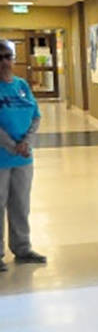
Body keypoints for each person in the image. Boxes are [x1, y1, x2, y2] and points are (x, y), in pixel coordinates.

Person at [0, 39, 45, 269]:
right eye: (0, 58)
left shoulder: (21, 85)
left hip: (24, 157)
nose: (4, 62)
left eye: (8, 56)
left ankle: (22, 247)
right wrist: (11, 145)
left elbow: (36, 115)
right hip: (2, 157)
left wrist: (27, 142)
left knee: (20, 204)